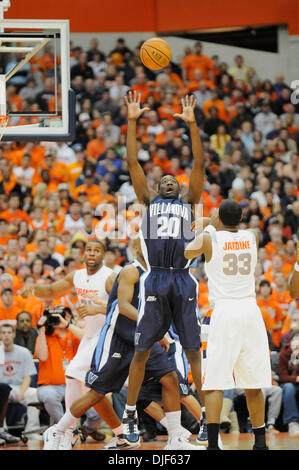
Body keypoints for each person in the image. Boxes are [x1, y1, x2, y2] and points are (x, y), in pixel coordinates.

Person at [41, 238, 203, 450]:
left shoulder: (158, 272)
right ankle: (58, 430)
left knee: (170, 378)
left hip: (143, 336)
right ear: (138, 248)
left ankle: (175, 439)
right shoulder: (130, 271)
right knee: (97, 392)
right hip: (118, 337)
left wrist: (160, 331)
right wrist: (154, 326)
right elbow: (124, 307)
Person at [120, 91, 205, 448]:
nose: (169, 179)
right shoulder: (147, 200)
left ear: (180, 187)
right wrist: (132, 121)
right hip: (155, 276)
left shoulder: (190, 201)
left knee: (192, 351)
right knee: (141, 351)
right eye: (164, 179)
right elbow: (133, 163)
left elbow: (199, 165)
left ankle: (207, 416)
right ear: (156, 188)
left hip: (182, 279)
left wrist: (192, 126)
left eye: (174, 178)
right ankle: (129, 415)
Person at [184, 200, 272, 450]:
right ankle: (261, 443)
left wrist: (209, 226)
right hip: (250, 311)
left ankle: (212, 445)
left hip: (225, 311)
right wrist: (213, 222)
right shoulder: (253, 236)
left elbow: (188, 252)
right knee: (253, 382)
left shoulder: (210, 238)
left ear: (219, 219)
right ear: (241, 218)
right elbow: (230, 230)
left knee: (214, 382)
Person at [21, 239, 116, 449]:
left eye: (97, 250)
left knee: (76, 376)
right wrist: (33, 288)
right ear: (83, 255)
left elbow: (124, 306)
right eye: (89, 250)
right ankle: (116, 433)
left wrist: (99, 309)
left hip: (107, 336)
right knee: (80, 382)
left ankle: (64, 430)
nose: (92, 253)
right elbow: (52, 291)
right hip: (89, 337)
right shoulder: (77, 276)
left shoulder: (110, 277)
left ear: (103, 255)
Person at [0, 324, 41, 440]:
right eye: (3, 333)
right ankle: (2, 431)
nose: (6, 335)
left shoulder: (24, 352)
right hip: (2, 388)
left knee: (34, 393)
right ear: (0, 336)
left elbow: (28, 377)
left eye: (9, 332)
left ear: (13, 334)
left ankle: (31, 431)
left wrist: (20, 394)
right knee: (2, 394)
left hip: (19, 387)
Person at [278, 328, 299, 435]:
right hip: (288, 384)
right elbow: (282, 377)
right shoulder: (284, 353)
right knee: (289, 387)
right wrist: (296, 379)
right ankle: (292, 422)